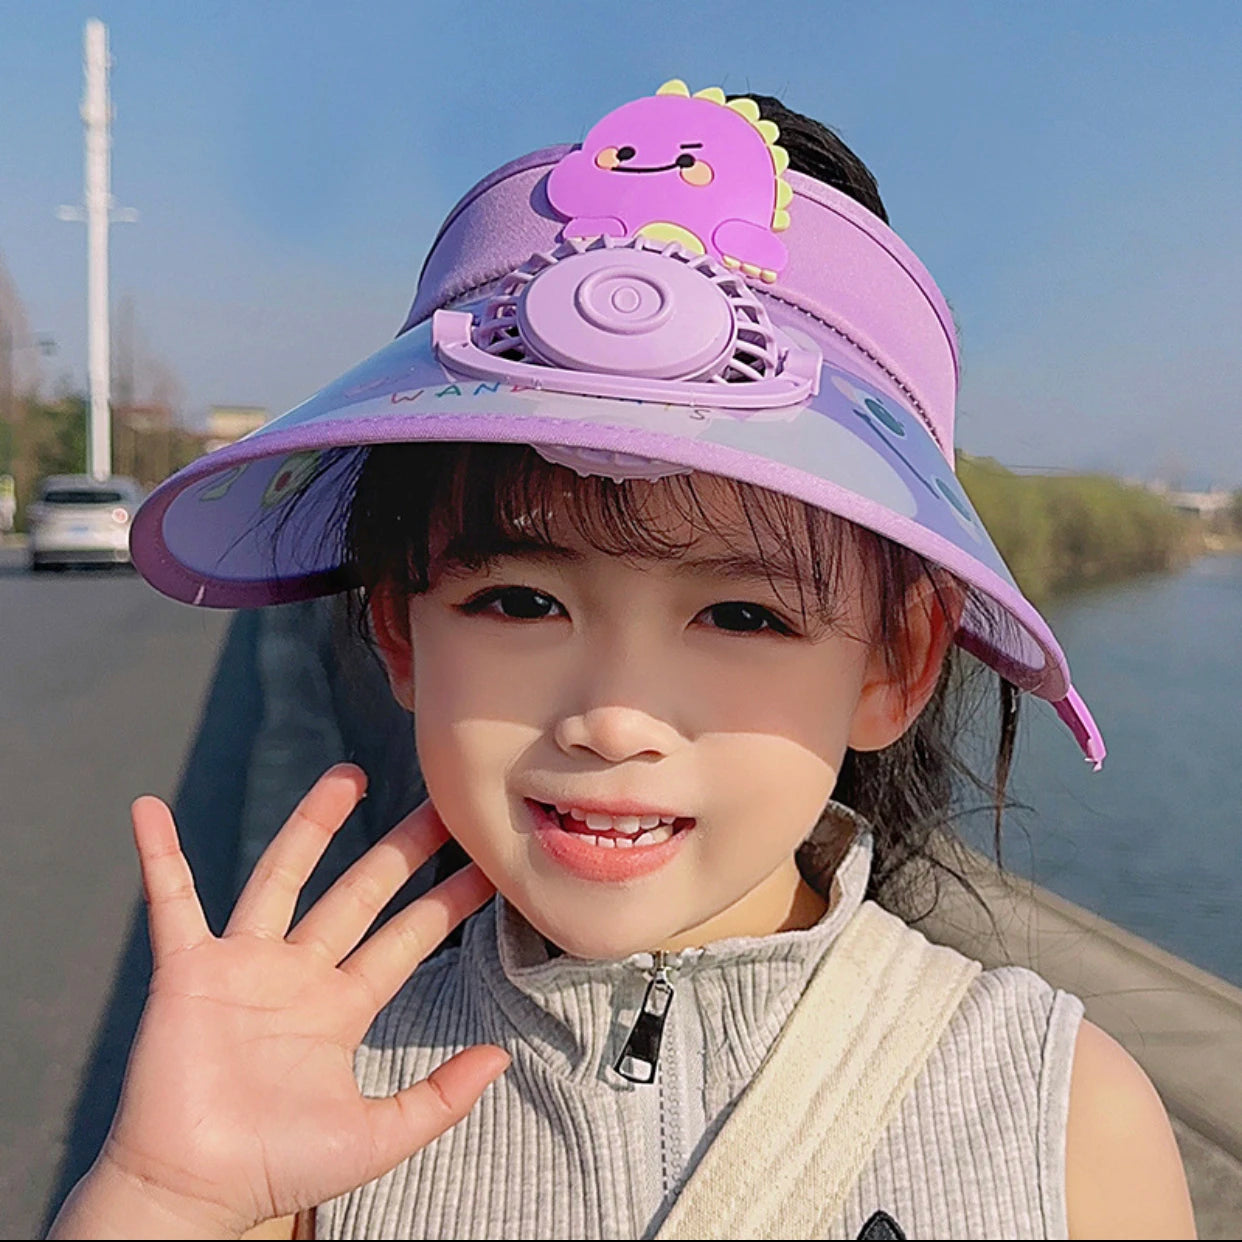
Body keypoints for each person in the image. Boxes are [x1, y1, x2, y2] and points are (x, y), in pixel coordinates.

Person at [49, 84, 1195, 1240]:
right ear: (400, 630)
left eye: (742, 617)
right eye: (519, 599)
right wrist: (166, 1199)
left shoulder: (1059, 1122)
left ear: (892, 665)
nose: (612, 717)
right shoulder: (313, 1117)